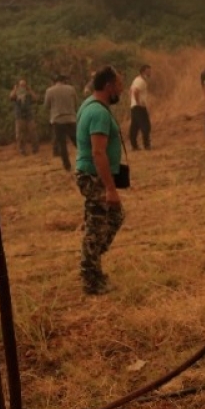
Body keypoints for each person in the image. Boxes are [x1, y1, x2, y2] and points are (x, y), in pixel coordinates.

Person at [75, 66, 125, 296]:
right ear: (108, 86)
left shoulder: (90, 106)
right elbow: (98, 152)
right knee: (97, 227)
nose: (121, 90)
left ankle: (92, 263)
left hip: (92, 175)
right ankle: (91, 278)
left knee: (108, 220)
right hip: (94, 176)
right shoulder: (98, 113)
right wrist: (109, 188)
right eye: (119, 85)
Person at [43, 74, 79, 171]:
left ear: (54, 81)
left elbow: (46, 105)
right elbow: (76, 103)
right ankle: (87, 159)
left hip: (57, 119)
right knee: (77, 142)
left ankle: (67, 166)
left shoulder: (49, 91)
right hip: (71, 118)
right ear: (64, 81)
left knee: (62, 144)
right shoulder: (71, 89)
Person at [9, 79, 39, 156]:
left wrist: (30, 90)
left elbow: (36, 98)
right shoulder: (16, 94)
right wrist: (15, 89)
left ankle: (35, 149)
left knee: (33, 133)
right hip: (19, 116)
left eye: (24, 85)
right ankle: (22, 151)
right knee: (20, 135)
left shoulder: (28, 94)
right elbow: (11, 97)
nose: (22, 87)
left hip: (29, 116)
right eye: (21, 85)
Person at [129, 64, 152, 150]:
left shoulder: (137, 80)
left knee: (134, 126)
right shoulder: (140, 81)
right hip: (138, 106)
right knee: (146, 125)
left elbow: (130, 90)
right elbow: (135, 91)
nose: (150, 73)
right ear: (143, 72)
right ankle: (147, 145)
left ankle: (134, 146)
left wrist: (132, 102)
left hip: (134, 106)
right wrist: (138, 103)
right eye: (148, 71)